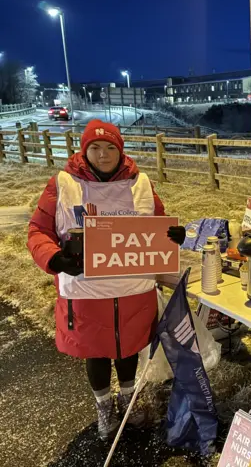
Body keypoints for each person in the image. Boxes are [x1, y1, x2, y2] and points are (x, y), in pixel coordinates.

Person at [27, 119, 166, 441]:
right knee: (97, 351)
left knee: (129, 348)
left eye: (110, 148)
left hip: (133, 286)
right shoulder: (62, 184)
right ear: (84, 150)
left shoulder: (141, 183)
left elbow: (158, 223)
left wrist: (170, 234)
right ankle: (104, 407)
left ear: (120, 151)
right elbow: (38, 230)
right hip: (87, 289)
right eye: (95, 148)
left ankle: (129, 399)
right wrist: (52, 256)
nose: (103, 155)